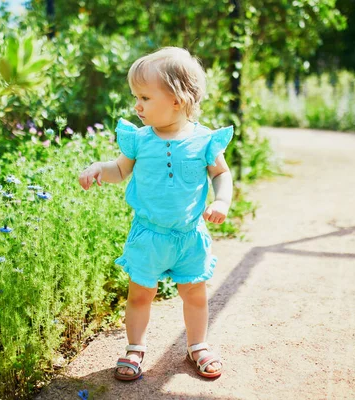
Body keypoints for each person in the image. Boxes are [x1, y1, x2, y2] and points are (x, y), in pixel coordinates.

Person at [78, 47, 233, 381]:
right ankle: (135, 348)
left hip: (189, 236)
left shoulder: (204, 141)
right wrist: (98, 170)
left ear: (177, 100)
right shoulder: (139, 140)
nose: (137, 106)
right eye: (136, 97)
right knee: (139, 295)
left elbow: (221, 174)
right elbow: (119, 171)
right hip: (148, 235)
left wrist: (221, 202)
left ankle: (198, 345)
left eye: (145, 97)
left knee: (194, 293)